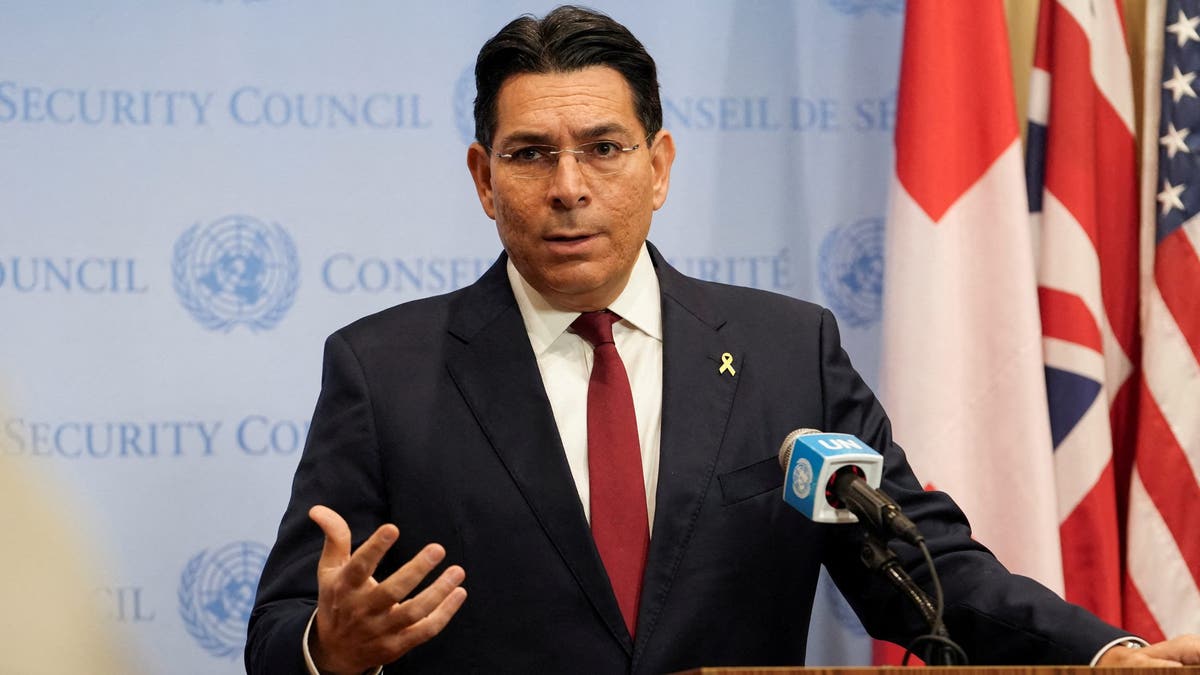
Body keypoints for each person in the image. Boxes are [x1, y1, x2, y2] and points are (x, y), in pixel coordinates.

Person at [246, 6, 1200, 674]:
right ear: (483, 178)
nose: (568, 185)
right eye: (530, 153)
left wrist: (1104, 653)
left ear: (658, 167)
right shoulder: (385, 371)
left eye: (604, 148)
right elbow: (281, 630)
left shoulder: (790, 353)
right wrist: (330, 650)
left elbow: (923, 569)